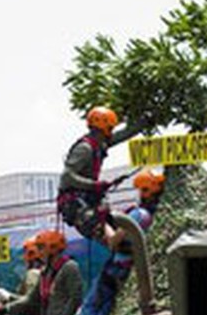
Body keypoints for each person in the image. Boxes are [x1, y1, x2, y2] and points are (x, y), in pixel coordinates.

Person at [68, 169, 165, 315]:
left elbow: (113, 241)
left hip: (118, 267)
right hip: (131, 270)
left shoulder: (139, 215)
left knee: (91, 307)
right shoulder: (157, 215)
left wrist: (103, 221)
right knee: (103, 311)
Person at [56, 106, 144, 251]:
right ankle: (113, 238)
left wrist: (142, 124)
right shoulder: (85, 148)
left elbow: (121, 136)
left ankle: (117, 239)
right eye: (110, 128)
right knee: (95, 223)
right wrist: (94, 185)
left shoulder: (100, 143)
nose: (111, 133)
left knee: (106, 217)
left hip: (88, 196)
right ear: (102, 128)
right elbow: (67, 177)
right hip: (74, 200)